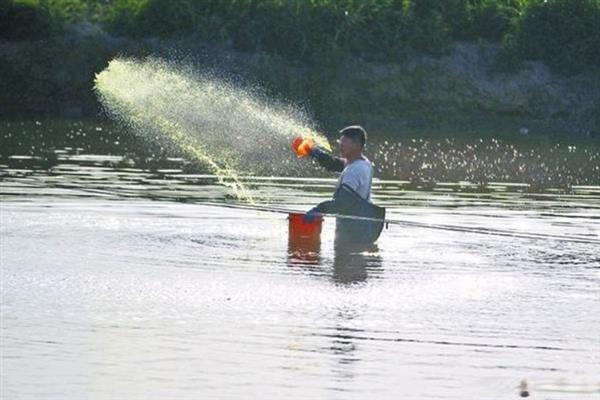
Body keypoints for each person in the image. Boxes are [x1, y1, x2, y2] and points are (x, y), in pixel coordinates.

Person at [304, 125, 385, 245]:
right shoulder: (363, 163)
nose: (340, 145)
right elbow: (334, 164)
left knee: (343, 258)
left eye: (345, 142)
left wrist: (318, 210)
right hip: (360, 231)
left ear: (357, 144)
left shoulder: (354, 170)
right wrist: (316, 153)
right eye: (340, 141)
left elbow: (341, 204)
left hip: (352, 235)